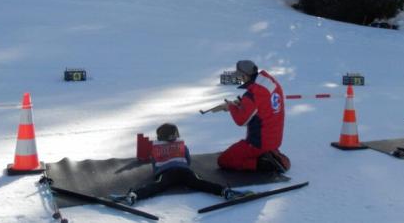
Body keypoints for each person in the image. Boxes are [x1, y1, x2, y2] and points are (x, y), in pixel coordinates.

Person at [118, 123, 249, 206]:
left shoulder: (155, 148)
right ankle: (224, 191)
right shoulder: (182, 146)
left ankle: (134, 195)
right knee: (200, 182)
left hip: (166, 173)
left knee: (156, 186)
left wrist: (157, 172)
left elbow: (155, 165)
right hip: (184, 171)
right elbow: (188, 159)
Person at [218, 60, 290, 173]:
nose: (238, 79)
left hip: (258, 143)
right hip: (274, 140)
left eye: (239, 76)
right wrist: (243, 104)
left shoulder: (251, 95)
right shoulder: (269, 81)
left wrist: (231, 107)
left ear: (245, 75)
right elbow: (263, 105)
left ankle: (264, 164)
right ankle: (270, 154)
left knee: (223, 160)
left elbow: (241, 121)